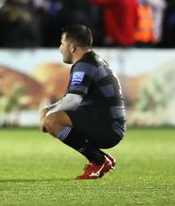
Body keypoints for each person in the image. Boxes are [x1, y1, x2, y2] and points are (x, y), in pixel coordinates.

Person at [40, 24, 125, 180]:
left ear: (72, 48)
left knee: (53, 121)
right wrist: (48, 109)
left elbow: (73, 101)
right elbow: (71, 99)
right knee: (50, 115)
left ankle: (99, 160)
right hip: (108, 122)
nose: (60, 48)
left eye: (62, 43)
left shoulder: (84, 65)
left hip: (108, 127)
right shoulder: (91, 61)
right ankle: (101, 159)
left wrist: (48, 116)